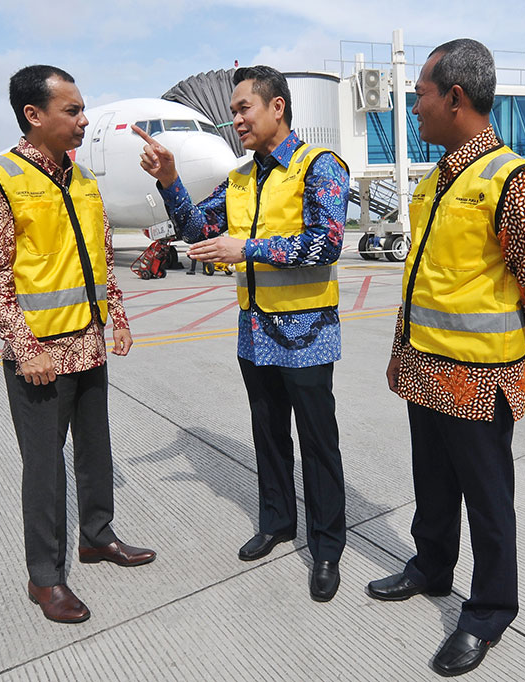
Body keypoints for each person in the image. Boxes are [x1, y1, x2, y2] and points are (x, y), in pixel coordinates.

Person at [367, 39, 525, 676]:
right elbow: (423, 277)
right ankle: (430, 567)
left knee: (487, 500)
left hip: (480, 379)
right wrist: (407, 352)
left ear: (455, 97)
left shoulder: (514, 181)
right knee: (431, 485)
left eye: (420, 95)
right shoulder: (437, 178)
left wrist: (505, 347)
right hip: (427, 366)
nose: (414, 108)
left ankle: (488, 612)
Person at [134, 65, 349, 602]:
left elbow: (327, 243)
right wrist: (169, 181)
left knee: (317, 443)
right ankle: (277, 522)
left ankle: (326, 545)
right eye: (232, 111)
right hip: (255, 332)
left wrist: (246, 249)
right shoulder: (240, 179)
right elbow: (195, 230)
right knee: (268, 433)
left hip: (306, 334)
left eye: (242, 109)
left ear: (277, 107)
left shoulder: (319, 167)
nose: (235, 120)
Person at [0, 65, 155, 625]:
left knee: (96, 454)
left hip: (89, 347)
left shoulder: (83, 180)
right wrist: (24, 347)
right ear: (34, 115)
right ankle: (44, 578)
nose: (82, 120)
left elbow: (99, 261)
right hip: (41, 358)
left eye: (81, 109)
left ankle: (97, 537)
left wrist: (116, 317)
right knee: (45, 470)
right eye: (71, 111)